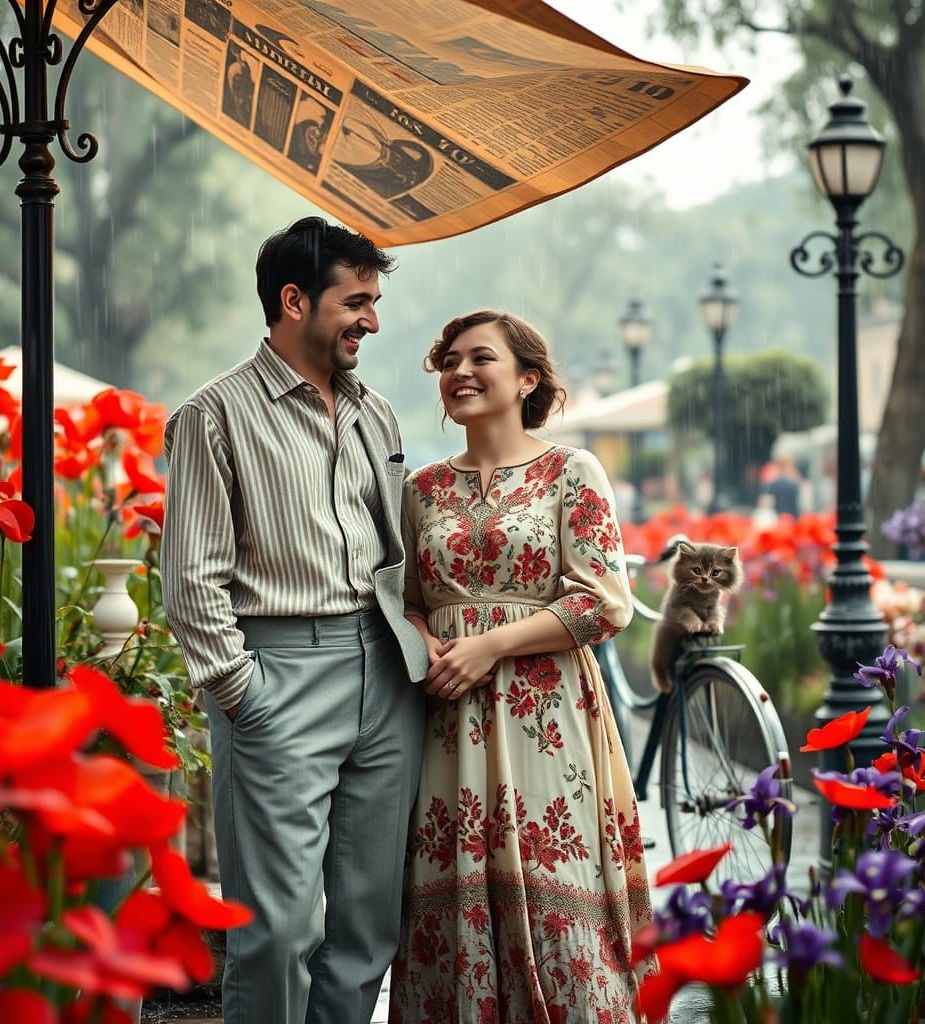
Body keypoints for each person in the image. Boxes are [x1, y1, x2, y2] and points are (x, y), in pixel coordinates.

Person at [161, 217, 428, 1024]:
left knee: (365, 929)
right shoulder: (213, 416)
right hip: (278, 676)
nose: (371, 322)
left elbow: (394, 547)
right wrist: (244, 696)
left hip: (384, 676)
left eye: (375, 302)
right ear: (292, 300)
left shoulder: (376, 413)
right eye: (355, 302)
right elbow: (190, 580)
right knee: (277, 932)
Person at [389, 310, 653, 1022]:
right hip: (447, 723)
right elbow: (407, 600)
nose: (459, 372)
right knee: (450, 890)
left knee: (555, 883)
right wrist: (429, 641)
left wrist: (490, 644)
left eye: (480, 358)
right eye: (448, 361)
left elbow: (606, 605)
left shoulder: (571, 470)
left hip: (548, 716)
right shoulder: (421, 489)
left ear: (527, 378)